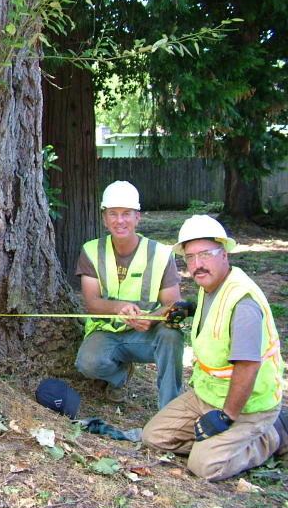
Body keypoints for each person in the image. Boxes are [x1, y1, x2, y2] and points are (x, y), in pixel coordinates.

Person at [143, 215, 287, 481]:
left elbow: (247, 366)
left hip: (246, 407)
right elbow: (216, 316)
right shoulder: (210, 285)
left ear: (224, 254)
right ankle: (218, 444)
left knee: (205, 466)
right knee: (154, 437)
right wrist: (190, 309)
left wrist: (226, 416)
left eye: (205, 254)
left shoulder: (243, 304)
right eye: (190, 257)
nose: (197, 265)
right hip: (206, 396)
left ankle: (273, 434)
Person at [75, 181, 184, 409]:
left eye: (126, 214)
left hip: (146, 335)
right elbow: (92, 303)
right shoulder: (91, 250)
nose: (119, 220)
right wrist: (118, 307)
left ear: (137, 217)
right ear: (104, 218)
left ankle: (170, 407)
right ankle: (120, 376)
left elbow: (173, 304)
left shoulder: (161, 254)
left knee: (171, 336)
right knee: (88, 364)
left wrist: (151, 317)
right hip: (107, 333)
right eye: (113, 214)